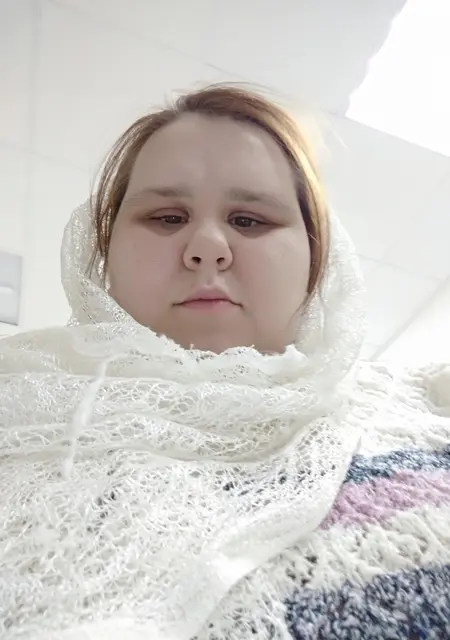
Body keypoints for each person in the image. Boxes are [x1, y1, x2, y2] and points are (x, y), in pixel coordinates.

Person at [0, 84, 449, 640]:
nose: (207, 246)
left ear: (317, 258)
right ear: (103, 252)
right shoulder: (15, 411)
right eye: (168, 217)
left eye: (249, 220)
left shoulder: (428, 410)